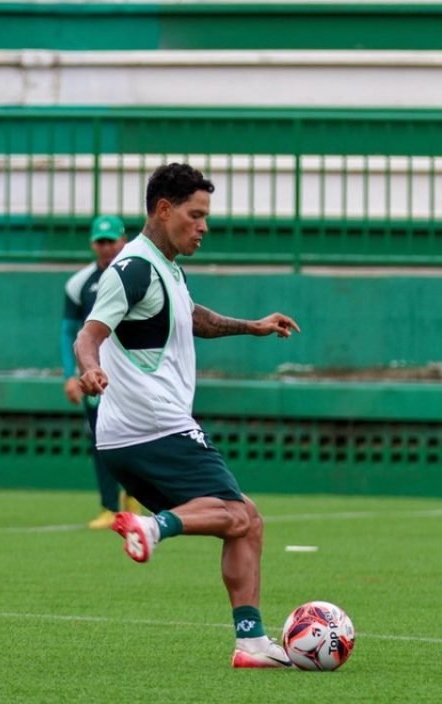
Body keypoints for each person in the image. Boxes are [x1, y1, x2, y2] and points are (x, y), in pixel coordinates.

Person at [74, 163, 301, 668]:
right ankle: (151, 528)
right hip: (154, 426)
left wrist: (253, 327)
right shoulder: (132, 267)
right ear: (162, 209)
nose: (204, 227)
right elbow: (89, 334)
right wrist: (90, 370)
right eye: (195, 215)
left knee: (248, 521)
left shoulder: (166, 267)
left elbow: (192, 317)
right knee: (238, 514)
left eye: (206, 217)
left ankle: (251, 642)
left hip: (132, 435)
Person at [61, 214, 141, 529]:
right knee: (100, 439)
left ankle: (134, 497)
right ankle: (109, 506)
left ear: (124, 241)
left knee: (138, 436)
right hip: (96, 375)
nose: (106, 247)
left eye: (112, 241)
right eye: (101, 242)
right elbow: (68, 330)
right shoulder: (80, 284)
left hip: (132, 373)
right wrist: (71, 373)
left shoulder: (137, 275)